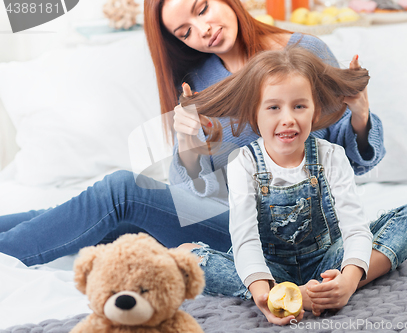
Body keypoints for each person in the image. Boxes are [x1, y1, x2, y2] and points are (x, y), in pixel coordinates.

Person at [0, 0, 385, 266]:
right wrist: (188, 146)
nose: (204, 30)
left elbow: (349, 162)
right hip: (220, 215)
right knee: (94, 215)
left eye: (202, 8)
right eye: (185, 31)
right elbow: (189, 194)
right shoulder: (197, 80)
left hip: (282, 228)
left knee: (121, 191)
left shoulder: (304, 50)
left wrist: (361, 114)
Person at [177, 47, 407, 325]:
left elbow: (355, 229)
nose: (288, 118)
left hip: (328, 262)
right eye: (273, 107)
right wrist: (265, 297)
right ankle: (287, 294)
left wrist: (348, 280)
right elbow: (245, 239)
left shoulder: (332, 156)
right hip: (269, 269)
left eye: (299, 106)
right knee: (183, 257)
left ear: (315, 110)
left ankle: (331, 290)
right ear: (255, 113)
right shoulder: (244, 163)